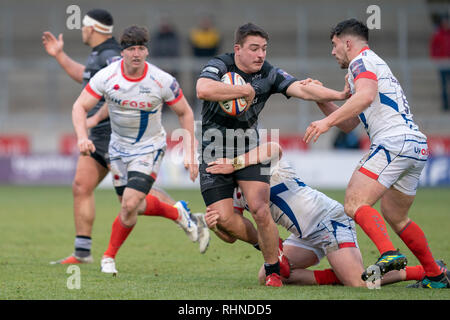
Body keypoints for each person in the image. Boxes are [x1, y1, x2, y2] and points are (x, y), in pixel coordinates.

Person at [195, 22, 349, 286]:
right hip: (213, 151)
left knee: (259, 208)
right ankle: (273, 248)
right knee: (224, 220)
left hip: (249, 149)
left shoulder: (268, 74)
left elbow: (302, 88)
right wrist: (242, 90)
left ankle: (273, 271)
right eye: (254, 49)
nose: (260, 55)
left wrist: (340, 93)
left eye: (264, 49)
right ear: (237, 49)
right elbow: (202, 90)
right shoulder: (220, 65)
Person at [302, 18, 450, 288]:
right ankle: (435, 275)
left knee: (354, 203)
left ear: (348, 43)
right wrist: (321, 99)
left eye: (334, 45)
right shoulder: (365, 67)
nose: (332, 51)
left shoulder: (362, 61)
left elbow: (366, 96)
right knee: (396, 216)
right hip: (414, 145)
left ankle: (389, 254)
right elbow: (349, 124)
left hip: (394, 141)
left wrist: (324, 123)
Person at [205, 142, 440, 287]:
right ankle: (337, 275)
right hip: (302, 236)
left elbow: (274, 148)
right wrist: (216, 226)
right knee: (269, 272)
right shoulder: (234, 192)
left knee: (360, 284)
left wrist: (236, 162)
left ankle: (424, 271)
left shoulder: (259, 164)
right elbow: (232, 235)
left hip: (329, 220)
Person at [72, 25, 200, 274]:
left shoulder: (161, 80)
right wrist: (81, 137)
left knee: (130, 204)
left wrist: (190, 153)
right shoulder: (107, 76)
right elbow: (79, 107)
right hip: (117, 149)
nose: (136, 53)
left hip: (149, 148)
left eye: (141, 48)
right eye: (131, 49)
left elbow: (185, 112)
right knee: (132, 208)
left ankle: (107, 257)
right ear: (123, 53)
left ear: (147, 51)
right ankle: (178, 213)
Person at [43, 9, 122, 264]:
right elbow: (86, 78)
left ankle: (181, 215)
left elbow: (121, 87)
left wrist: (97, 117)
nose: (81, 31)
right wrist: (60, 55)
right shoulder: (99, 54)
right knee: (81, 186)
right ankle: (82, 252)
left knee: (134, 195)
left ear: (93, 29)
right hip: (99, 134)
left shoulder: (111, 55)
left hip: (114, 133)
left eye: (84, 27)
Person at [430, 15, 450, 111]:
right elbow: (433, 47)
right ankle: (445, 105)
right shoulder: (438, 34)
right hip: (442, 63)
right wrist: (436, 58)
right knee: (443, 85)